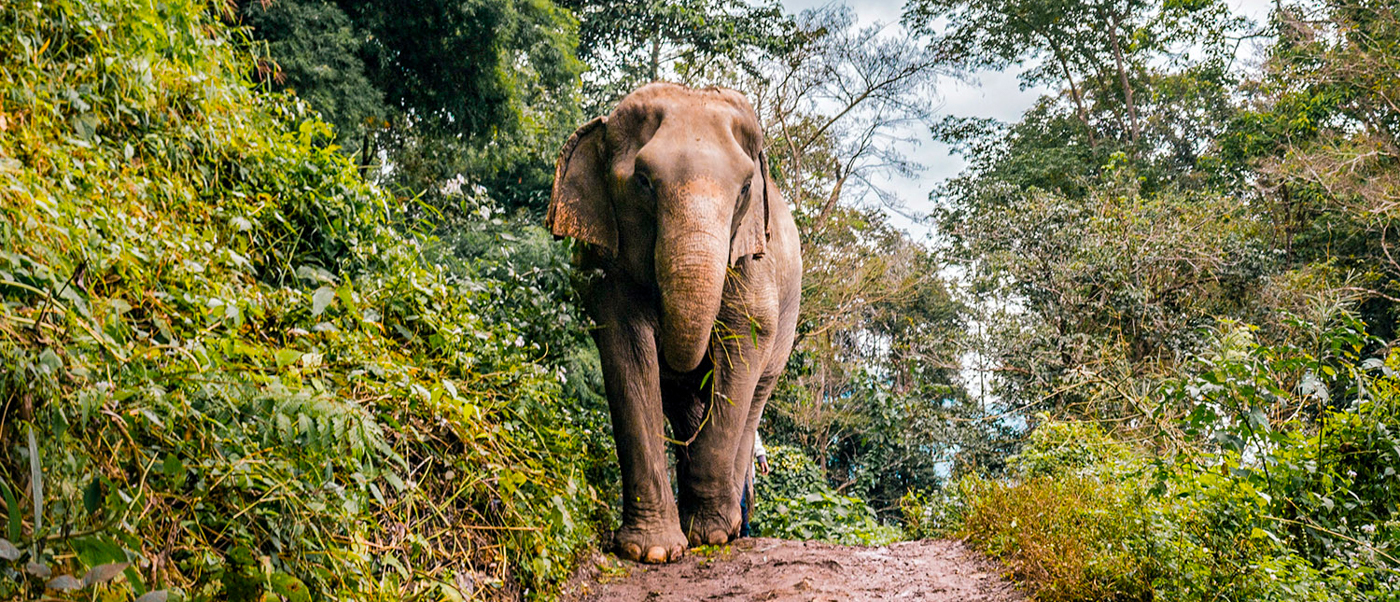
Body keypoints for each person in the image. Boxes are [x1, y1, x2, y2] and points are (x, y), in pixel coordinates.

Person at [740, 432, 769, 537]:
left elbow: (754, 435)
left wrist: (761, 457)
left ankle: (744, 533)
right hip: (731, 469)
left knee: (742, 502)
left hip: (746, 469)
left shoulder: (748, 422)